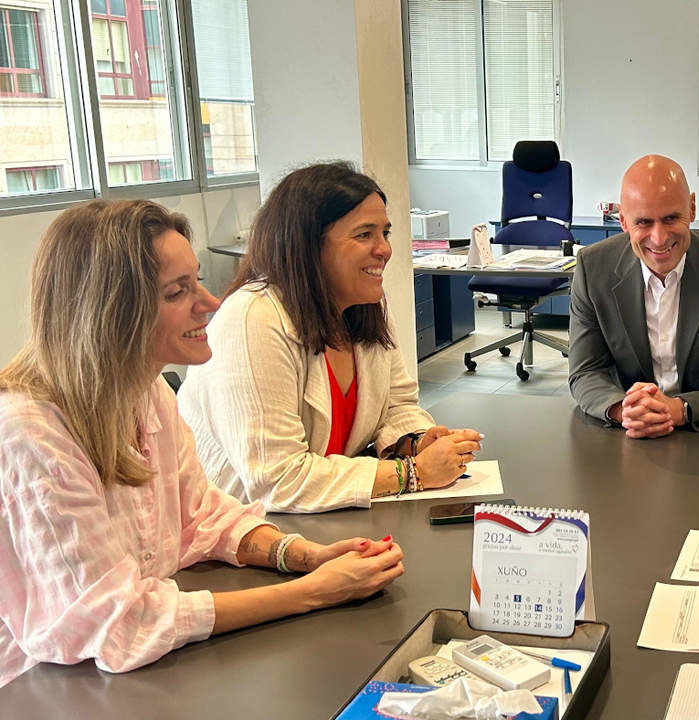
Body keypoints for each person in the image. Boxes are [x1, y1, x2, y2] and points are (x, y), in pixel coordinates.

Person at [0, 200, 406, 687]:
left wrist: (304, 556)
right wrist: (314, 592)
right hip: (38, 687)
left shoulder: (146, 392)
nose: (210, 302)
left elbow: (201, 516)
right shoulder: (30, 434)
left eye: (197, 281)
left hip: (117, 678)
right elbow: (119, 623)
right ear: (110, 311)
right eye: (178, 291)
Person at [179, 162, 482, 513]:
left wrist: (413, 442)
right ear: (307, 246)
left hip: (324, 520)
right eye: (364, 234)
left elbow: (397, 404)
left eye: (385, 232)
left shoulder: (365, 305)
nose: (384, 248)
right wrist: (411, 473)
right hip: (240, 535)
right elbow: (277, 481)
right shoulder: (252, 320)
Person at [568, 155, 699, 438]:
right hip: (626, 433)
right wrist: (623, 409)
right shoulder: (593, 269)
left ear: (691, 208)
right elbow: (585, 372)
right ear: (623, 221)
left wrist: (676, 409)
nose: (659, 238)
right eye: (643, 222)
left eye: (670, 218)